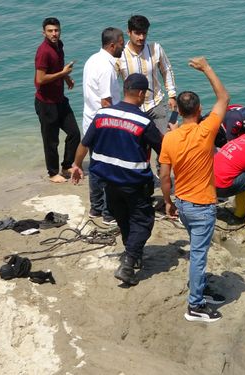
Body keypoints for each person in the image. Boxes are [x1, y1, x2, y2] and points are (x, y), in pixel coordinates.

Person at [69, 74, 163, 286]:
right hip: (134, 183)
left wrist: (76, 165)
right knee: (143, 221)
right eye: (144, 95)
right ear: (140, 94)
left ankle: (133, 253)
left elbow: (85, 143)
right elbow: (163, 149)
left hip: (108, 183)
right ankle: (129, 263)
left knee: (123, 218)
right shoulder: (143, 121)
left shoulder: (102, 115)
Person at [159, 57, 229, 323]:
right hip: (202, 206)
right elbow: (223, 98)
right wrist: (207, 68)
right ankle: (195, 306)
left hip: (183, 204)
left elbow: (165, 176)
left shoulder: (170, 137)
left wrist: (168, 202)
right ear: (199, 110)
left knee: (197, 252)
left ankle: (200, 289)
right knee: (198, 256)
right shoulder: (205, 131)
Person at [82, 27, 125, 224]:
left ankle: (96, 208)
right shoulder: (107, 68)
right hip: (104, 125)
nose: (124, 46)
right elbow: (106, 102)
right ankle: (109, 213)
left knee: (96, 167)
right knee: (110, 169)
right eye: (121, 43)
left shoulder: (92, 60)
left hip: (91, 121)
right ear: (112, 45)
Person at [34, 17, 80, 183]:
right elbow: (40, 79)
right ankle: (53, 173)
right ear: (44, 33)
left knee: (75, 133)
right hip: (46, 103)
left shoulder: (59, 45)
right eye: (50, 31)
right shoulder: (43, 51)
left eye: (56, 30)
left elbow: (57, 68)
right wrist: (62, 74)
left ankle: (67, 165)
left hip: (60, 100)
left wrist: (66, 77)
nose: (54, 34)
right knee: (51, 141)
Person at [116, 15, 177, 134]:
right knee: (137, 147)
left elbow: (167, 70)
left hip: (156, 105)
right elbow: (112, 81)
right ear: (128, 32)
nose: (141, 37)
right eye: (137, 33)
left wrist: (172, 95)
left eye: (144, 33)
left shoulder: (155, 48)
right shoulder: (120, 55)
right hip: (133, 109)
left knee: (163, 143)